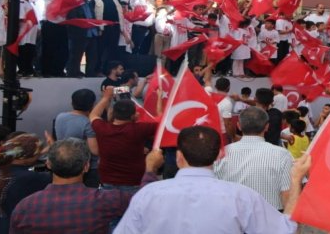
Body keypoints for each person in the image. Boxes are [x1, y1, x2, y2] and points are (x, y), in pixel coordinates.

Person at [116, 126, 309, 233]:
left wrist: (149, 167)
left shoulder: (148, 195)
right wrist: (296, 179)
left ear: (179, 157)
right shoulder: (241, 196)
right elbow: (286, 230)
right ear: (219, 155)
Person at [10, 138, 162, 233]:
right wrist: (150, 169)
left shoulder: (25, 206)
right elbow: (145, 202)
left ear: (48, 164)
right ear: (86, 166)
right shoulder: (106, 200)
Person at [214, 107, 294, 210]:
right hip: (271, 218)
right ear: (266, 127)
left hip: (232, 217)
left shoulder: (221, 154)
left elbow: (214, 190)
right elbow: (286, 194)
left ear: (239, 126)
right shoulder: (283, 155)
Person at [90, 87, 158, 191]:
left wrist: (106, 97)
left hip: (107, 181)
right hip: (133, 181)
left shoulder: (102, 128)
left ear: (113, 113)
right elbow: (161, 123)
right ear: (133, 115)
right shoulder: (140, 129)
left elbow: (93, 115)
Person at [0, 134, 51, 234]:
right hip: (20, 227)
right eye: (37, 153)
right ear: (26, 158)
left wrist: (37, 154)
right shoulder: (33, 178)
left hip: (0, 225)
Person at [54, 88, 100, 188]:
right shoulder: (88, 123)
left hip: (64, 161)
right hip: (86, 167)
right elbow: (95, 150)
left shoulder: (60, 117)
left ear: (72, 102)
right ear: (92, 105)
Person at [65, 0, 99, 78]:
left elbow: (93, 16)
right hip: (79, 32)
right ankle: (73, 73)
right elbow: (71, 17)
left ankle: (90, 72)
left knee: (92, 55)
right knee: (76, 55)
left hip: (91, 32)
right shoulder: (74, 3)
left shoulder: (90, 3)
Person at [93, 0, 127, 71]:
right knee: (100, 51)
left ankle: (109, 70)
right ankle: (97, 70)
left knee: (112, 51)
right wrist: (97, 28)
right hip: (103, 29)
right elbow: (93, 16)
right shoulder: (94, 0)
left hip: (115, 28)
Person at [17, 0, 38, 77]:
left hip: (31, 32)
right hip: (25, 31)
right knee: (24, 51)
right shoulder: (21, 2)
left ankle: (29, 68)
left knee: (30, 51)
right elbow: (21, 18)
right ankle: (23, 69)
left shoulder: (29, 2)